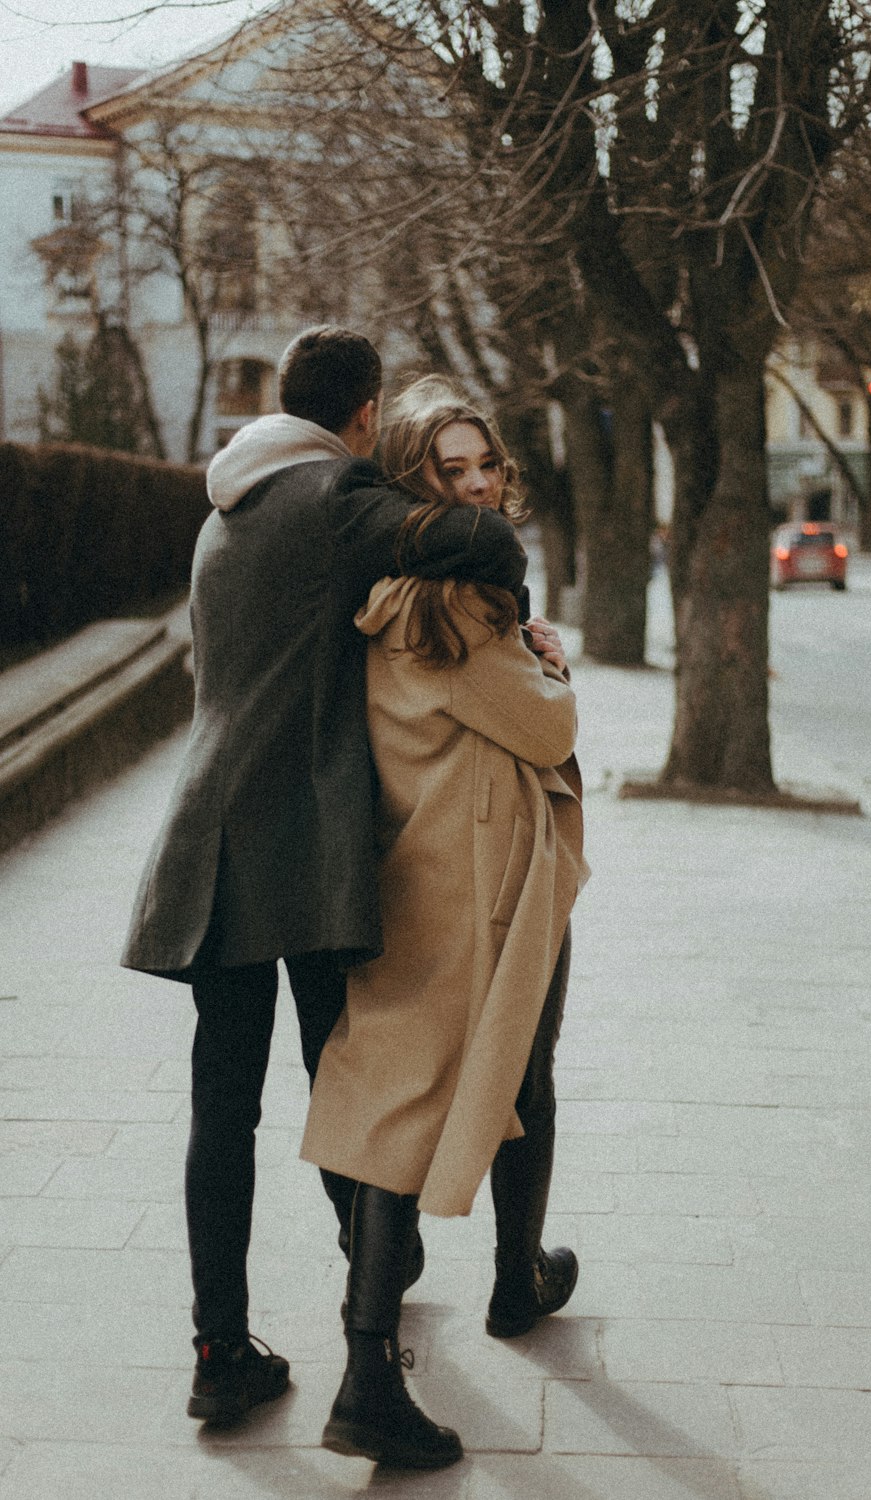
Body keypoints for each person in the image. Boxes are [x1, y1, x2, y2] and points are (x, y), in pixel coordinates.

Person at [120, 331, 528, 1426]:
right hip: (298, 843)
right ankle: (371, 1303)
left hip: (205, 830)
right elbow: (481, 537)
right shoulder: (333, 494)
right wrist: (521, 621)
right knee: (346, 1077)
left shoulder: (229, 503)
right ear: (365, 411)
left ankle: (220, 1348)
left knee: (222, 1103)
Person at [300, 376, 588, 1470]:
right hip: (477, 890)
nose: (475, 491)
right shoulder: (449, 606)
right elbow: (544, 717)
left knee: (419, 1090)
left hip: (433, 873)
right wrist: (550, 667)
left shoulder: (406, 595)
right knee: (427, 1100)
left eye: (484, 469)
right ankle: (375, 1371)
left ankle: (510, 1279)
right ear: (413, 484)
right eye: (447, 473)